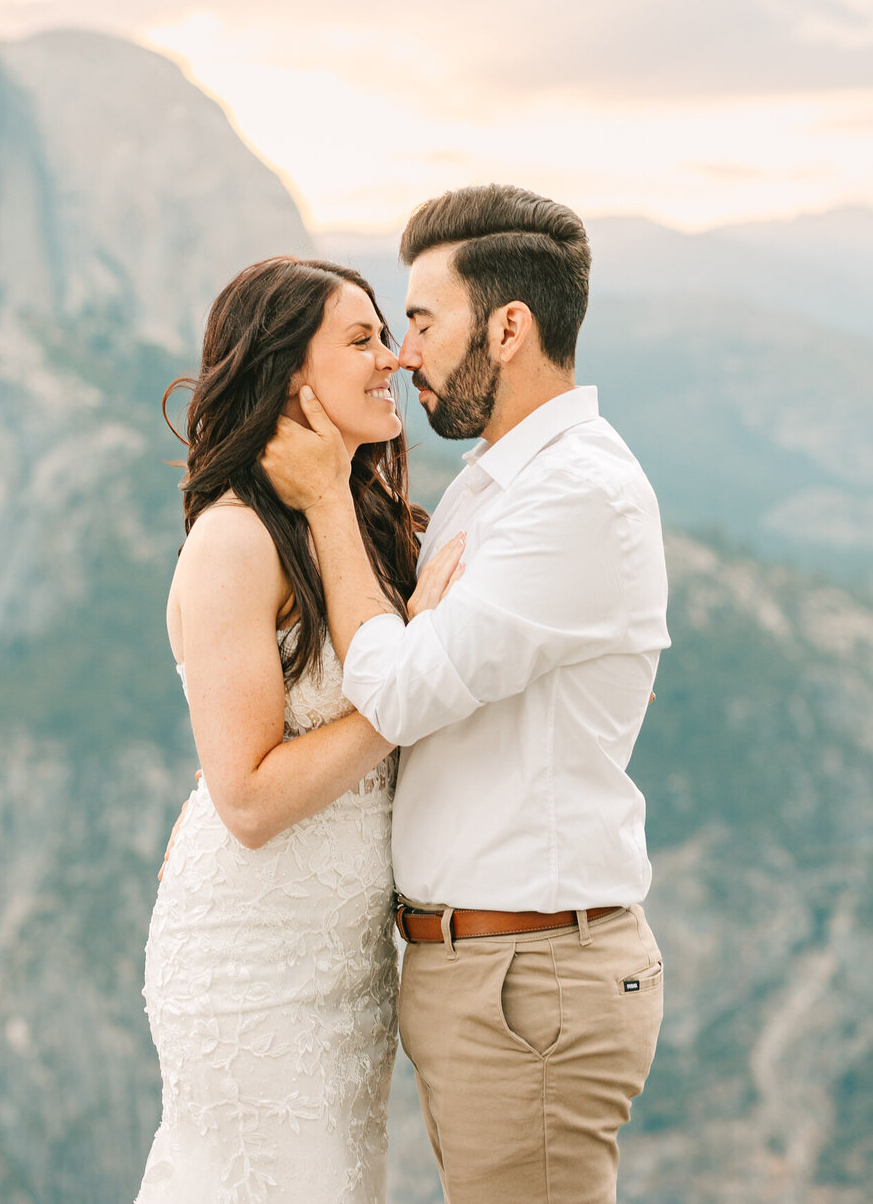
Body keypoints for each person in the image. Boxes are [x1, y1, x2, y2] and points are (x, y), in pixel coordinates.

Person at [261, 184, 671, 1204]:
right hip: (490, 973)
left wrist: (320, 502)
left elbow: (397, 690)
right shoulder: (502, 485)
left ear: (510, 328)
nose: (406, 352)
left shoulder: (575, 496)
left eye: (425, 322)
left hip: (529, 981)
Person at [135, 255, 463, 1204]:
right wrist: (410, 686)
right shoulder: (236, 538)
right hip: (253, 963)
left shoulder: (354, 522)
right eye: (361, 341)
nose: (394, 360)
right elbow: (245, 797)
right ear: (290, 377)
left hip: (345, 963)